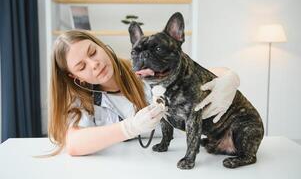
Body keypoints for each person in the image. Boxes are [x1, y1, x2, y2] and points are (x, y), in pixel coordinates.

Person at [48, 30, 240, 156]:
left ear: (101, 46)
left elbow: (209, 75)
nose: (94, 64)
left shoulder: (147, 70)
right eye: (81, 66)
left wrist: (230, 78)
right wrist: (129, 128)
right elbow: (73, 144)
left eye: (93, 52)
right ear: (75, 77)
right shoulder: (84, 101)